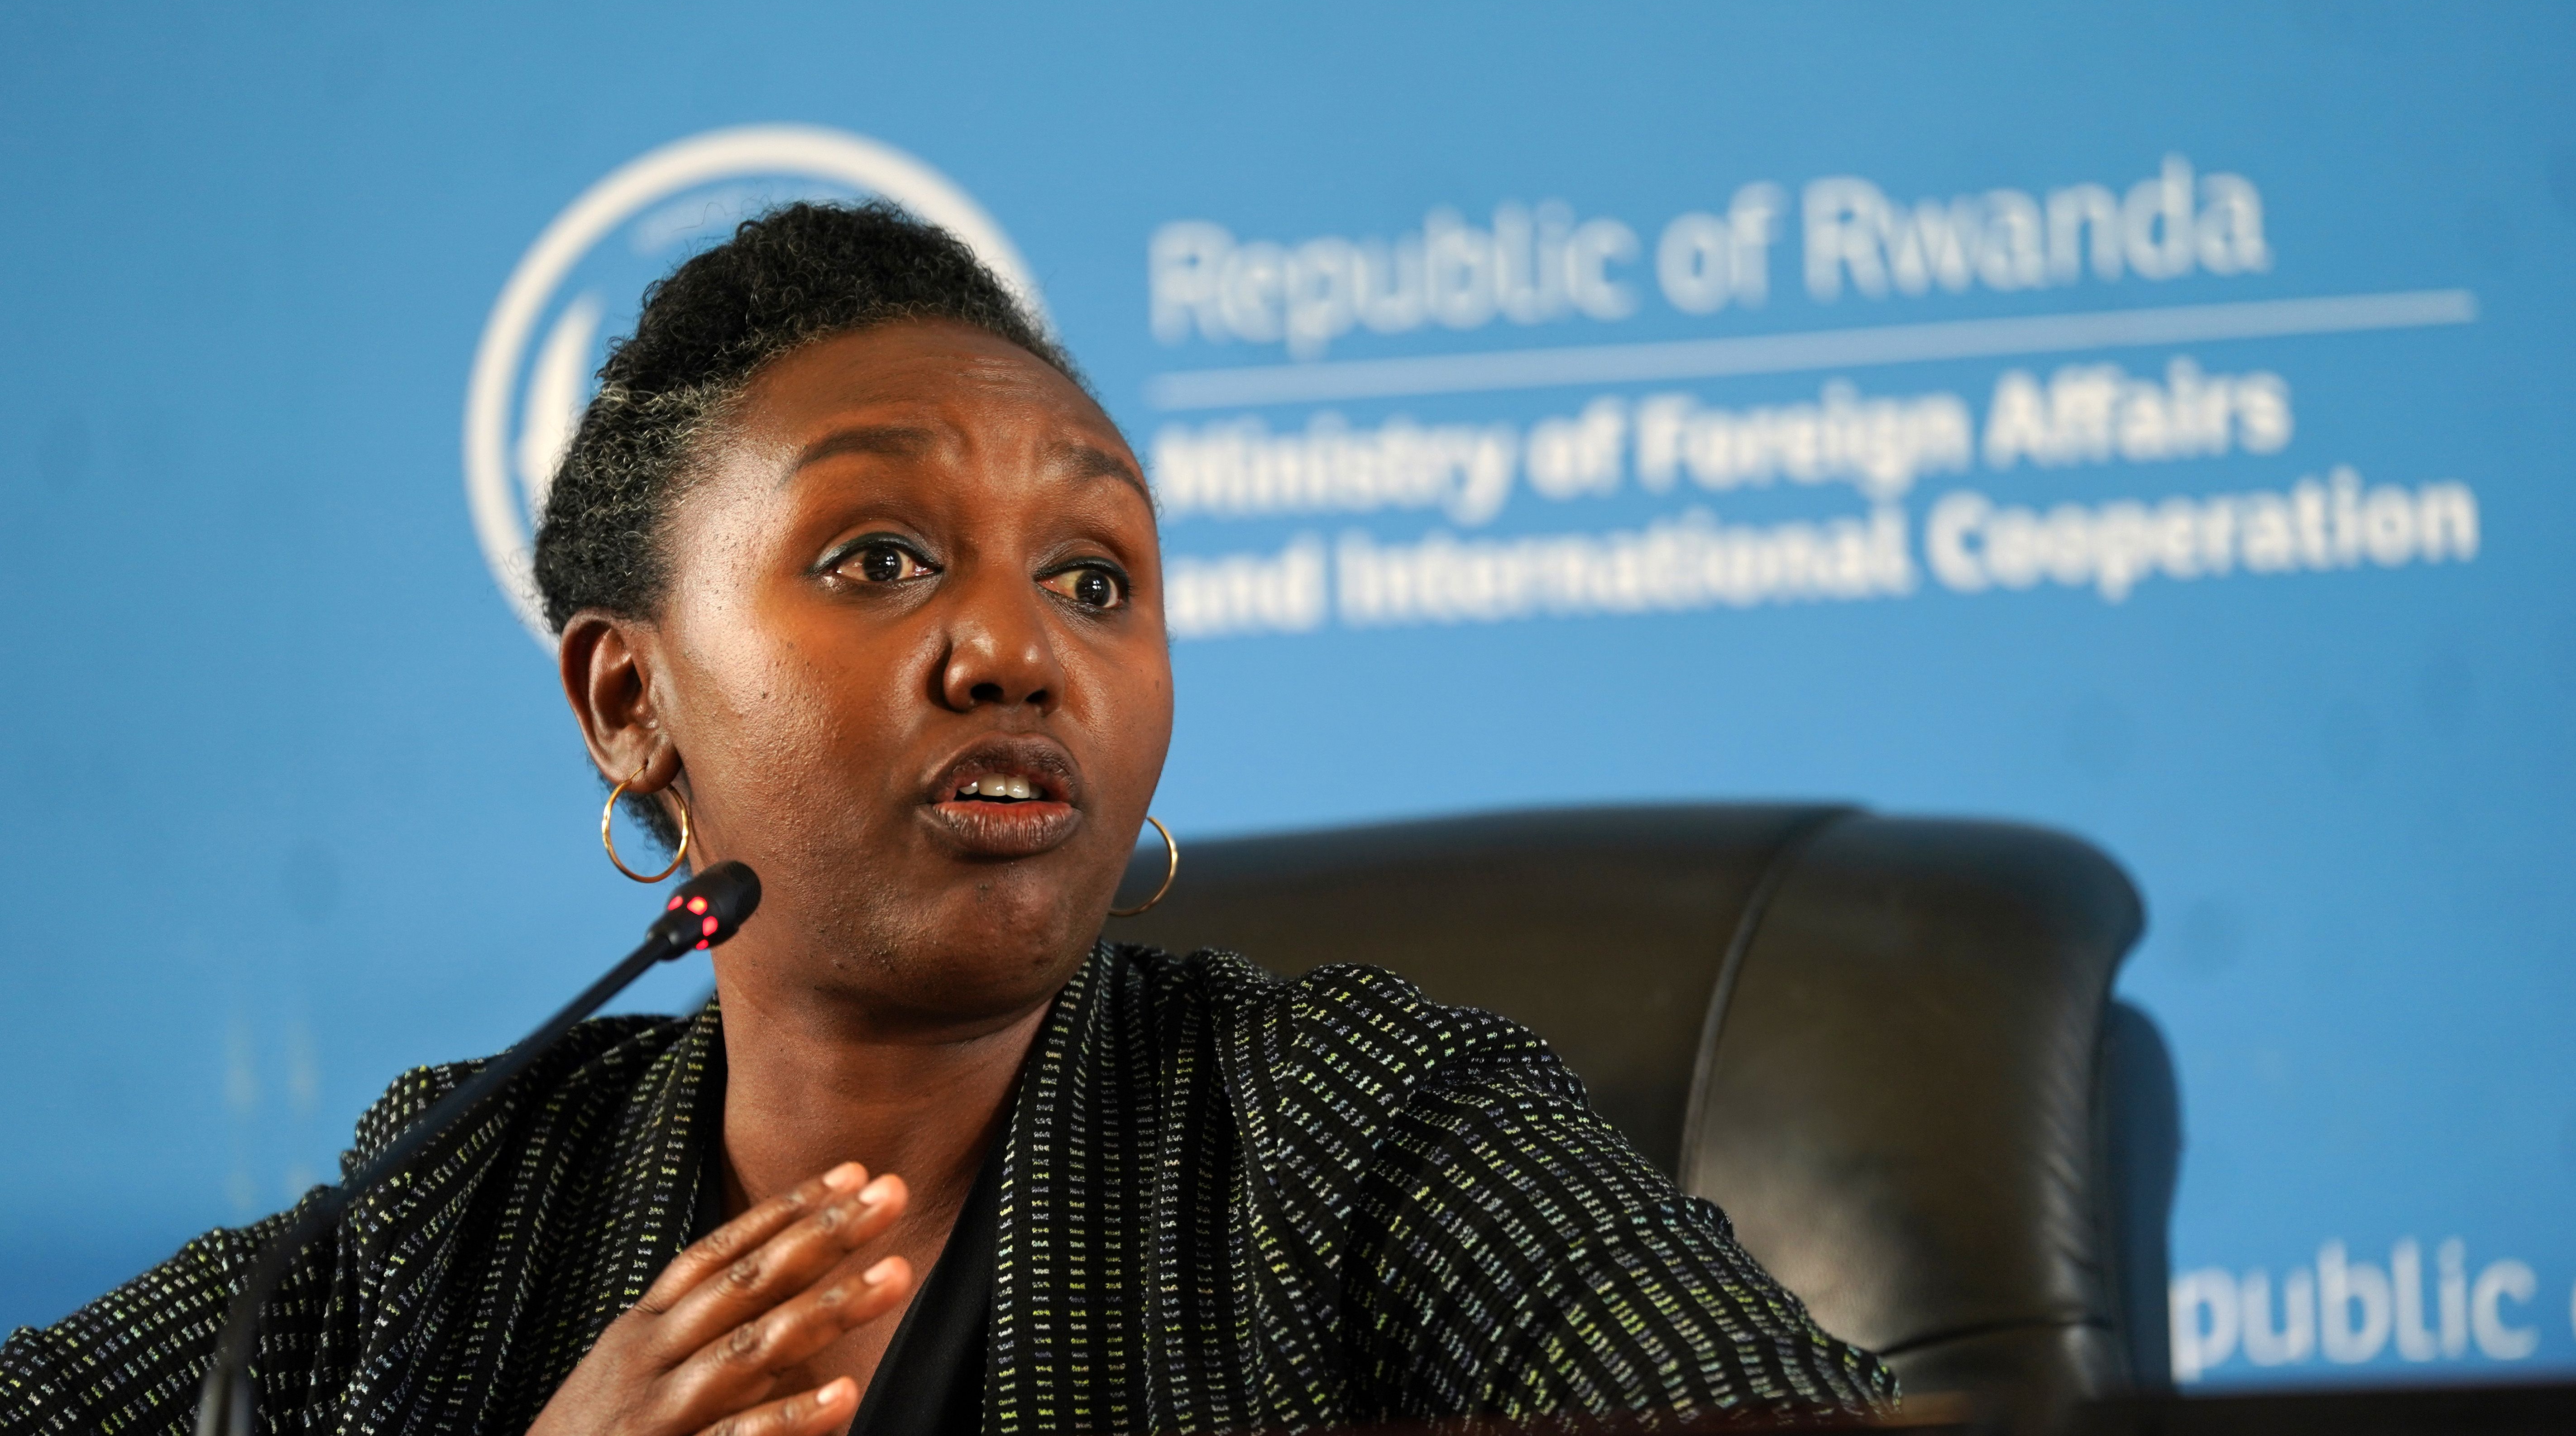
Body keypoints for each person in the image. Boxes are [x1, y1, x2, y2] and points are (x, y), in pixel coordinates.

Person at [0, 203, 1895, 1436]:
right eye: (883, 555)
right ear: (626, 699)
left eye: (1094, 580)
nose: (1013, 646)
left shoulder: (1347, 1122)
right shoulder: (454, 1209)